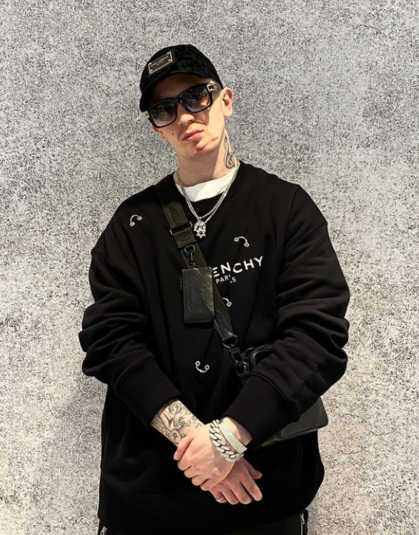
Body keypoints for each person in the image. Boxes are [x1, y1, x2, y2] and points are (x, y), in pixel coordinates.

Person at [78, 43, 351, 535]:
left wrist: (229, 439)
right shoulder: (131, 225)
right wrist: (198, 447)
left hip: (262, 491)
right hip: (147, 498)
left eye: (195, 96)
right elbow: (111, 341)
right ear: (156, 128)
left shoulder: (286, 209)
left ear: (225, 100)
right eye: (164, 109)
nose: (184, 116)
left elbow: (317, 336)